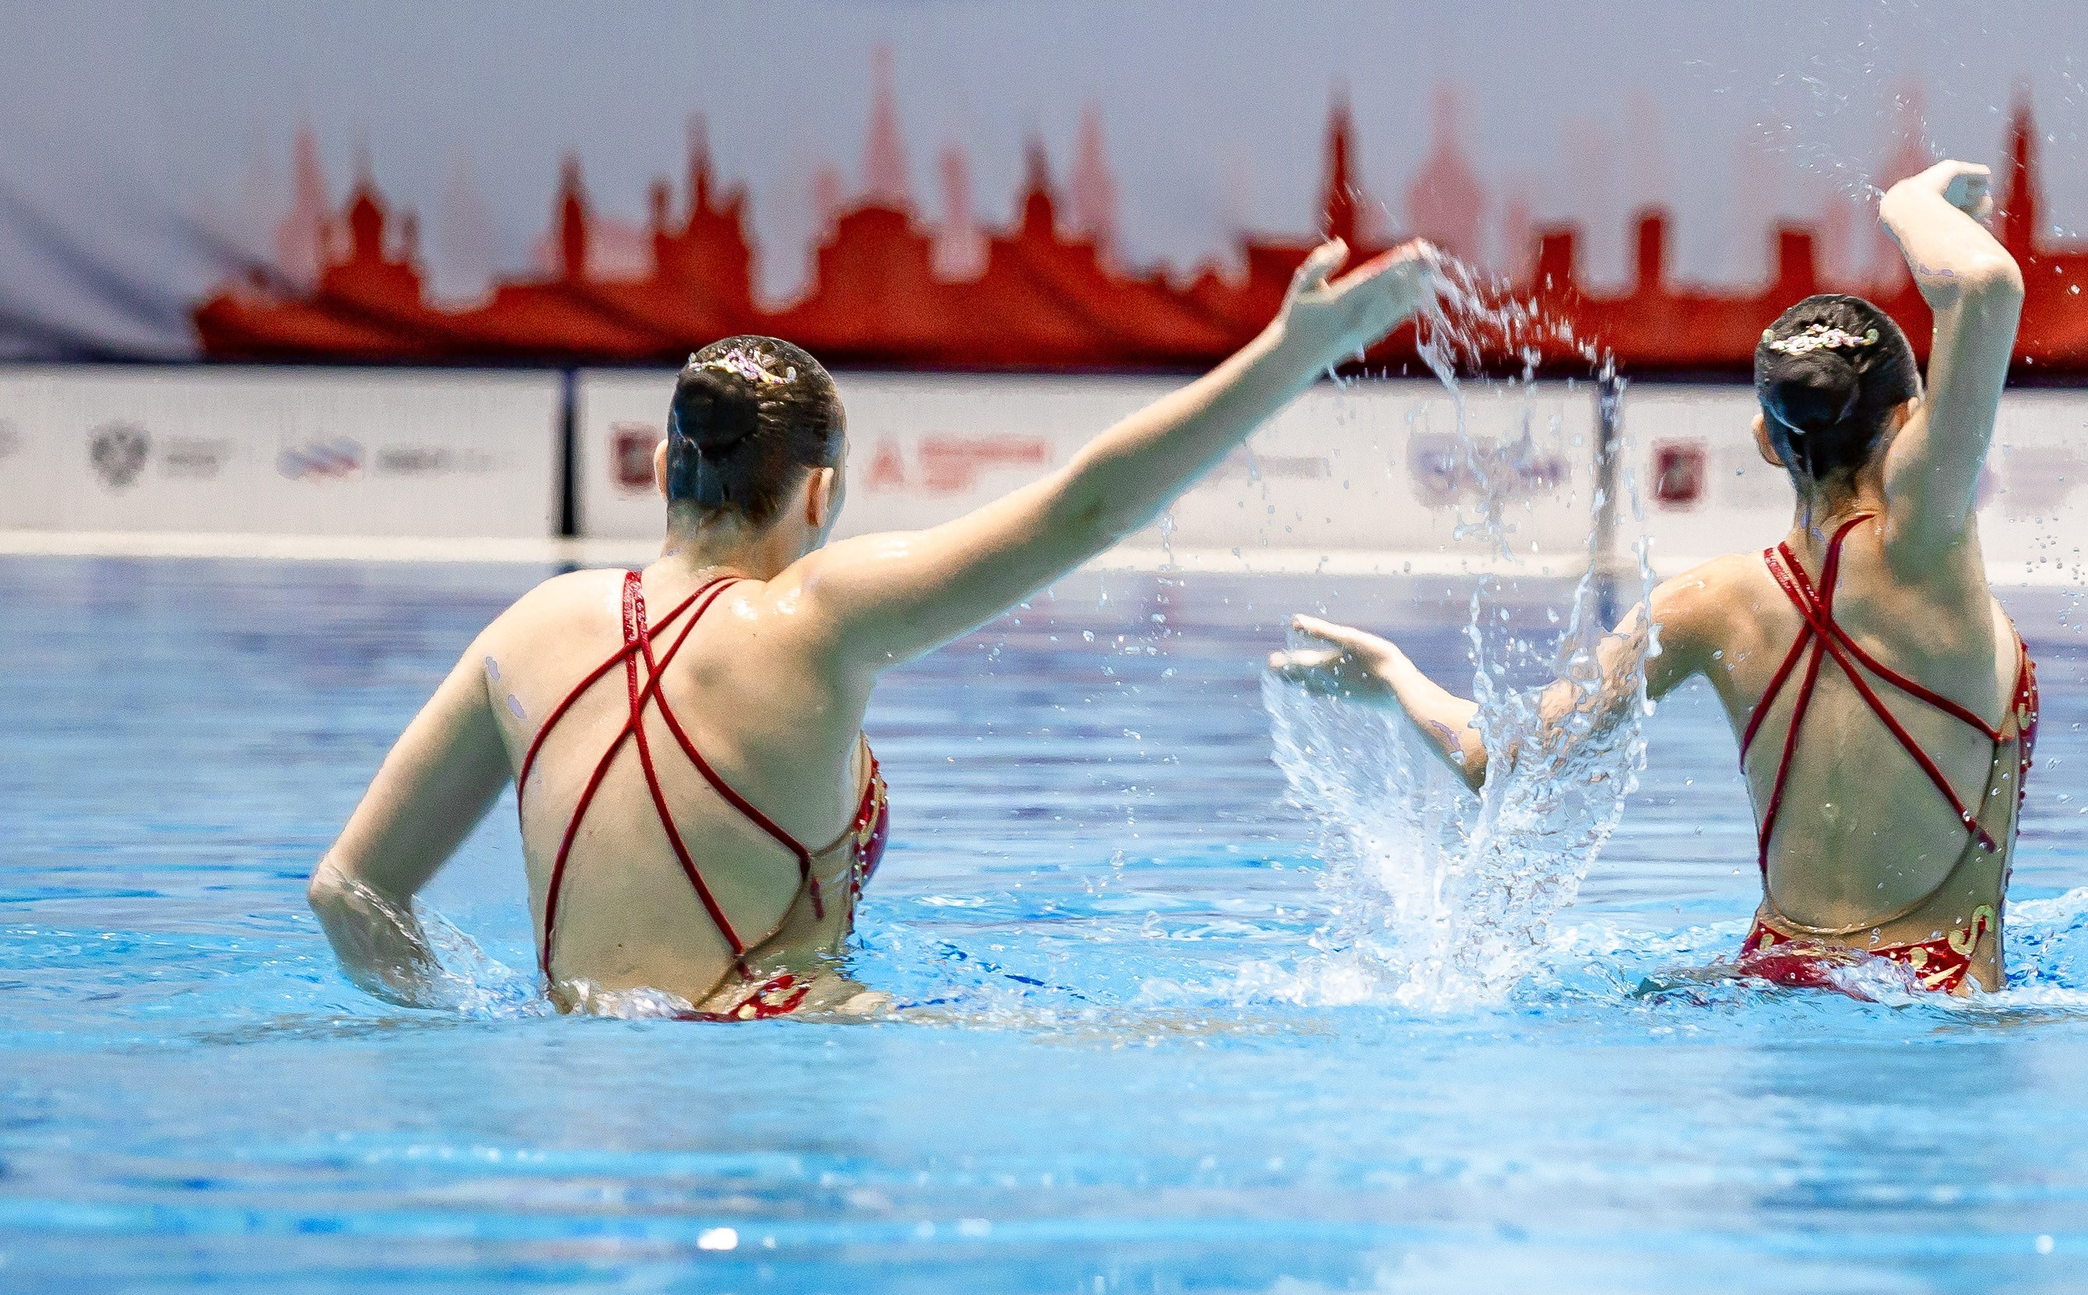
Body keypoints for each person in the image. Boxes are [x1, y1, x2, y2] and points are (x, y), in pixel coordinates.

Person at [308, 242, 1440, 1019]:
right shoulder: (813, 620)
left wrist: (488, 1028)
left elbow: (348, 898)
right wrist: (1288, 356)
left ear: (659, 470)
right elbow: (1087, 509)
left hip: (577, 1091)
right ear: (819, 495)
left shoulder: (530, 626)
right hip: (785, 1060)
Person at [1273, 163, 2035, 996]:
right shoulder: (1925, 545)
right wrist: (1908, 203)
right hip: (1931, 1002)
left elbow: (1504, 757)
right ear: (1908, 422)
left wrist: (1393, 675)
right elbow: (1987, 285)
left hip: (1766, 981)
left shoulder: (1707, 605)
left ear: (1766, 441)